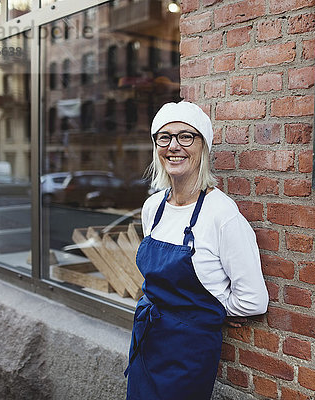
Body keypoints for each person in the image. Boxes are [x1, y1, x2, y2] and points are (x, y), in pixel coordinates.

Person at [125, 101, 269, 400]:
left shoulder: (222, 214)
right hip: (147, 340)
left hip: (188, 354)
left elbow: (254, 300)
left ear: (203, 146)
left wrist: (209, 309)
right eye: (164, 137)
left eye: (186, 136)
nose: (174, 146)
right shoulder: (154, 207)